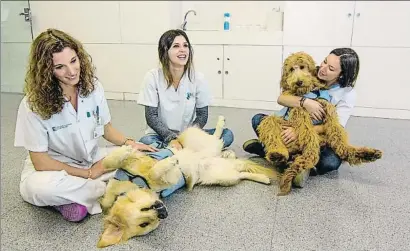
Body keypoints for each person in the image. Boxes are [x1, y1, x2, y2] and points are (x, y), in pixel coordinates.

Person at [14, 28, 157, 222]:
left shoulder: (93, 87)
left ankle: (79, 199)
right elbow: (41, 162)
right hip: (54, 169)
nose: (72, 72)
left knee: (139, 159)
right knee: (37, 188)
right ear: (46, 70)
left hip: (92, 157)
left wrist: (131, 144)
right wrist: (88, 173)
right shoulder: (32, 104)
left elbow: (107, 129)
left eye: (74, 61)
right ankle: (110, 189)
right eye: (60, 67)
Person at [243, 48, 360, 187]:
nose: (322, 68)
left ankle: (272, 152)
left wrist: (299, 131)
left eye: (331, 68)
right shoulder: (310, 70)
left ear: (341, 74)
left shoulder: (347, 94)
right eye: (324, 61)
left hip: (315, 134)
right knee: (258, 119)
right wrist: (306, 102)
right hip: (288, 123)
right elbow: (282, 98)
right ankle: (286, 156)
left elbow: (336, 127)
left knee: (331, 162)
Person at [137, 29, 234, 150]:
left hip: (188, 135)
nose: (183, 50)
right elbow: (151, 117)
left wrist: (188, 137)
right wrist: (171, 138)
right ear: (165, 51)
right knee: (146, 141)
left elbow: (202, 115)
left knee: (227, 134)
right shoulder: (152, 77)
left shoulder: (198, 78)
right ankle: (185, 151)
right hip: (160, 135)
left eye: (185, 45)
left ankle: (170, 152)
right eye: (176, 46)